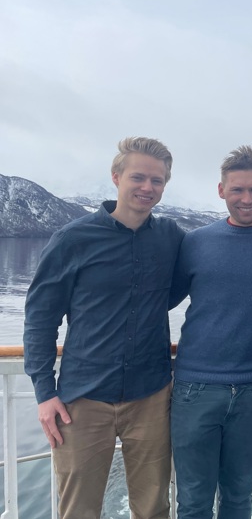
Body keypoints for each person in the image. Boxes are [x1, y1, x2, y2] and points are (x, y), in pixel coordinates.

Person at [23, 137, 185, 519]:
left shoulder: (171, 238)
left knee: (153, 508)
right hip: (82, 400)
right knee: (79, 510)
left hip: (150, 395)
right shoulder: (73, 239)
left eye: (157, 180)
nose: (147, 187)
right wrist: (44, 392)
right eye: (138, 177)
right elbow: (41, 318)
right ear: (116, 177)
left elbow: (185, 282)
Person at [169, 145, 252, 518]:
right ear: (221, 190)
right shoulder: (195, 242)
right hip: (195, 387)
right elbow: (160, 299)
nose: (246, 198)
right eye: (237, 189)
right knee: (193, 501)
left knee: (239, 498)